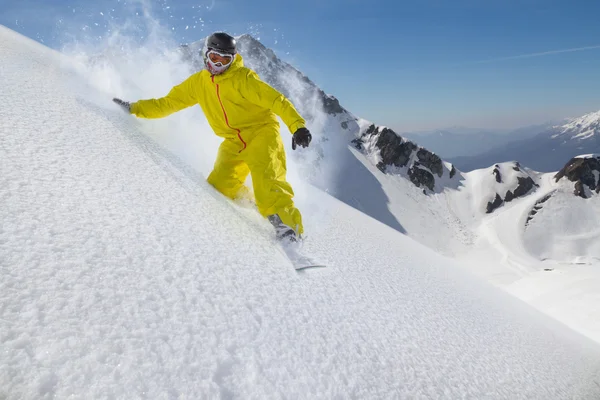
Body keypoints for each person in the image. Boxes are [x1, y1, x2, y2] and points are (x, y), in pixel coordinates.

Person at [113, 32, 311, 242]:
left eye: (225, 59)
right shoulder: (199, 83)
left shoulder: (244, 79)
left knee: (268, 179)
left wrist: (297, 126)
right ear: (206, 55)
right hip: (234, 141)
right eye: (215, 57)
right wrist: (135, 108)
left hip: (262, 132)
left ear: (233, 59)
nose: (218, 64)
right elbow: (167, 103)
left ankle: (289, 228)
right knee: (219, 185)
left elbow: (277, 100)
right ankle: (253, 201)